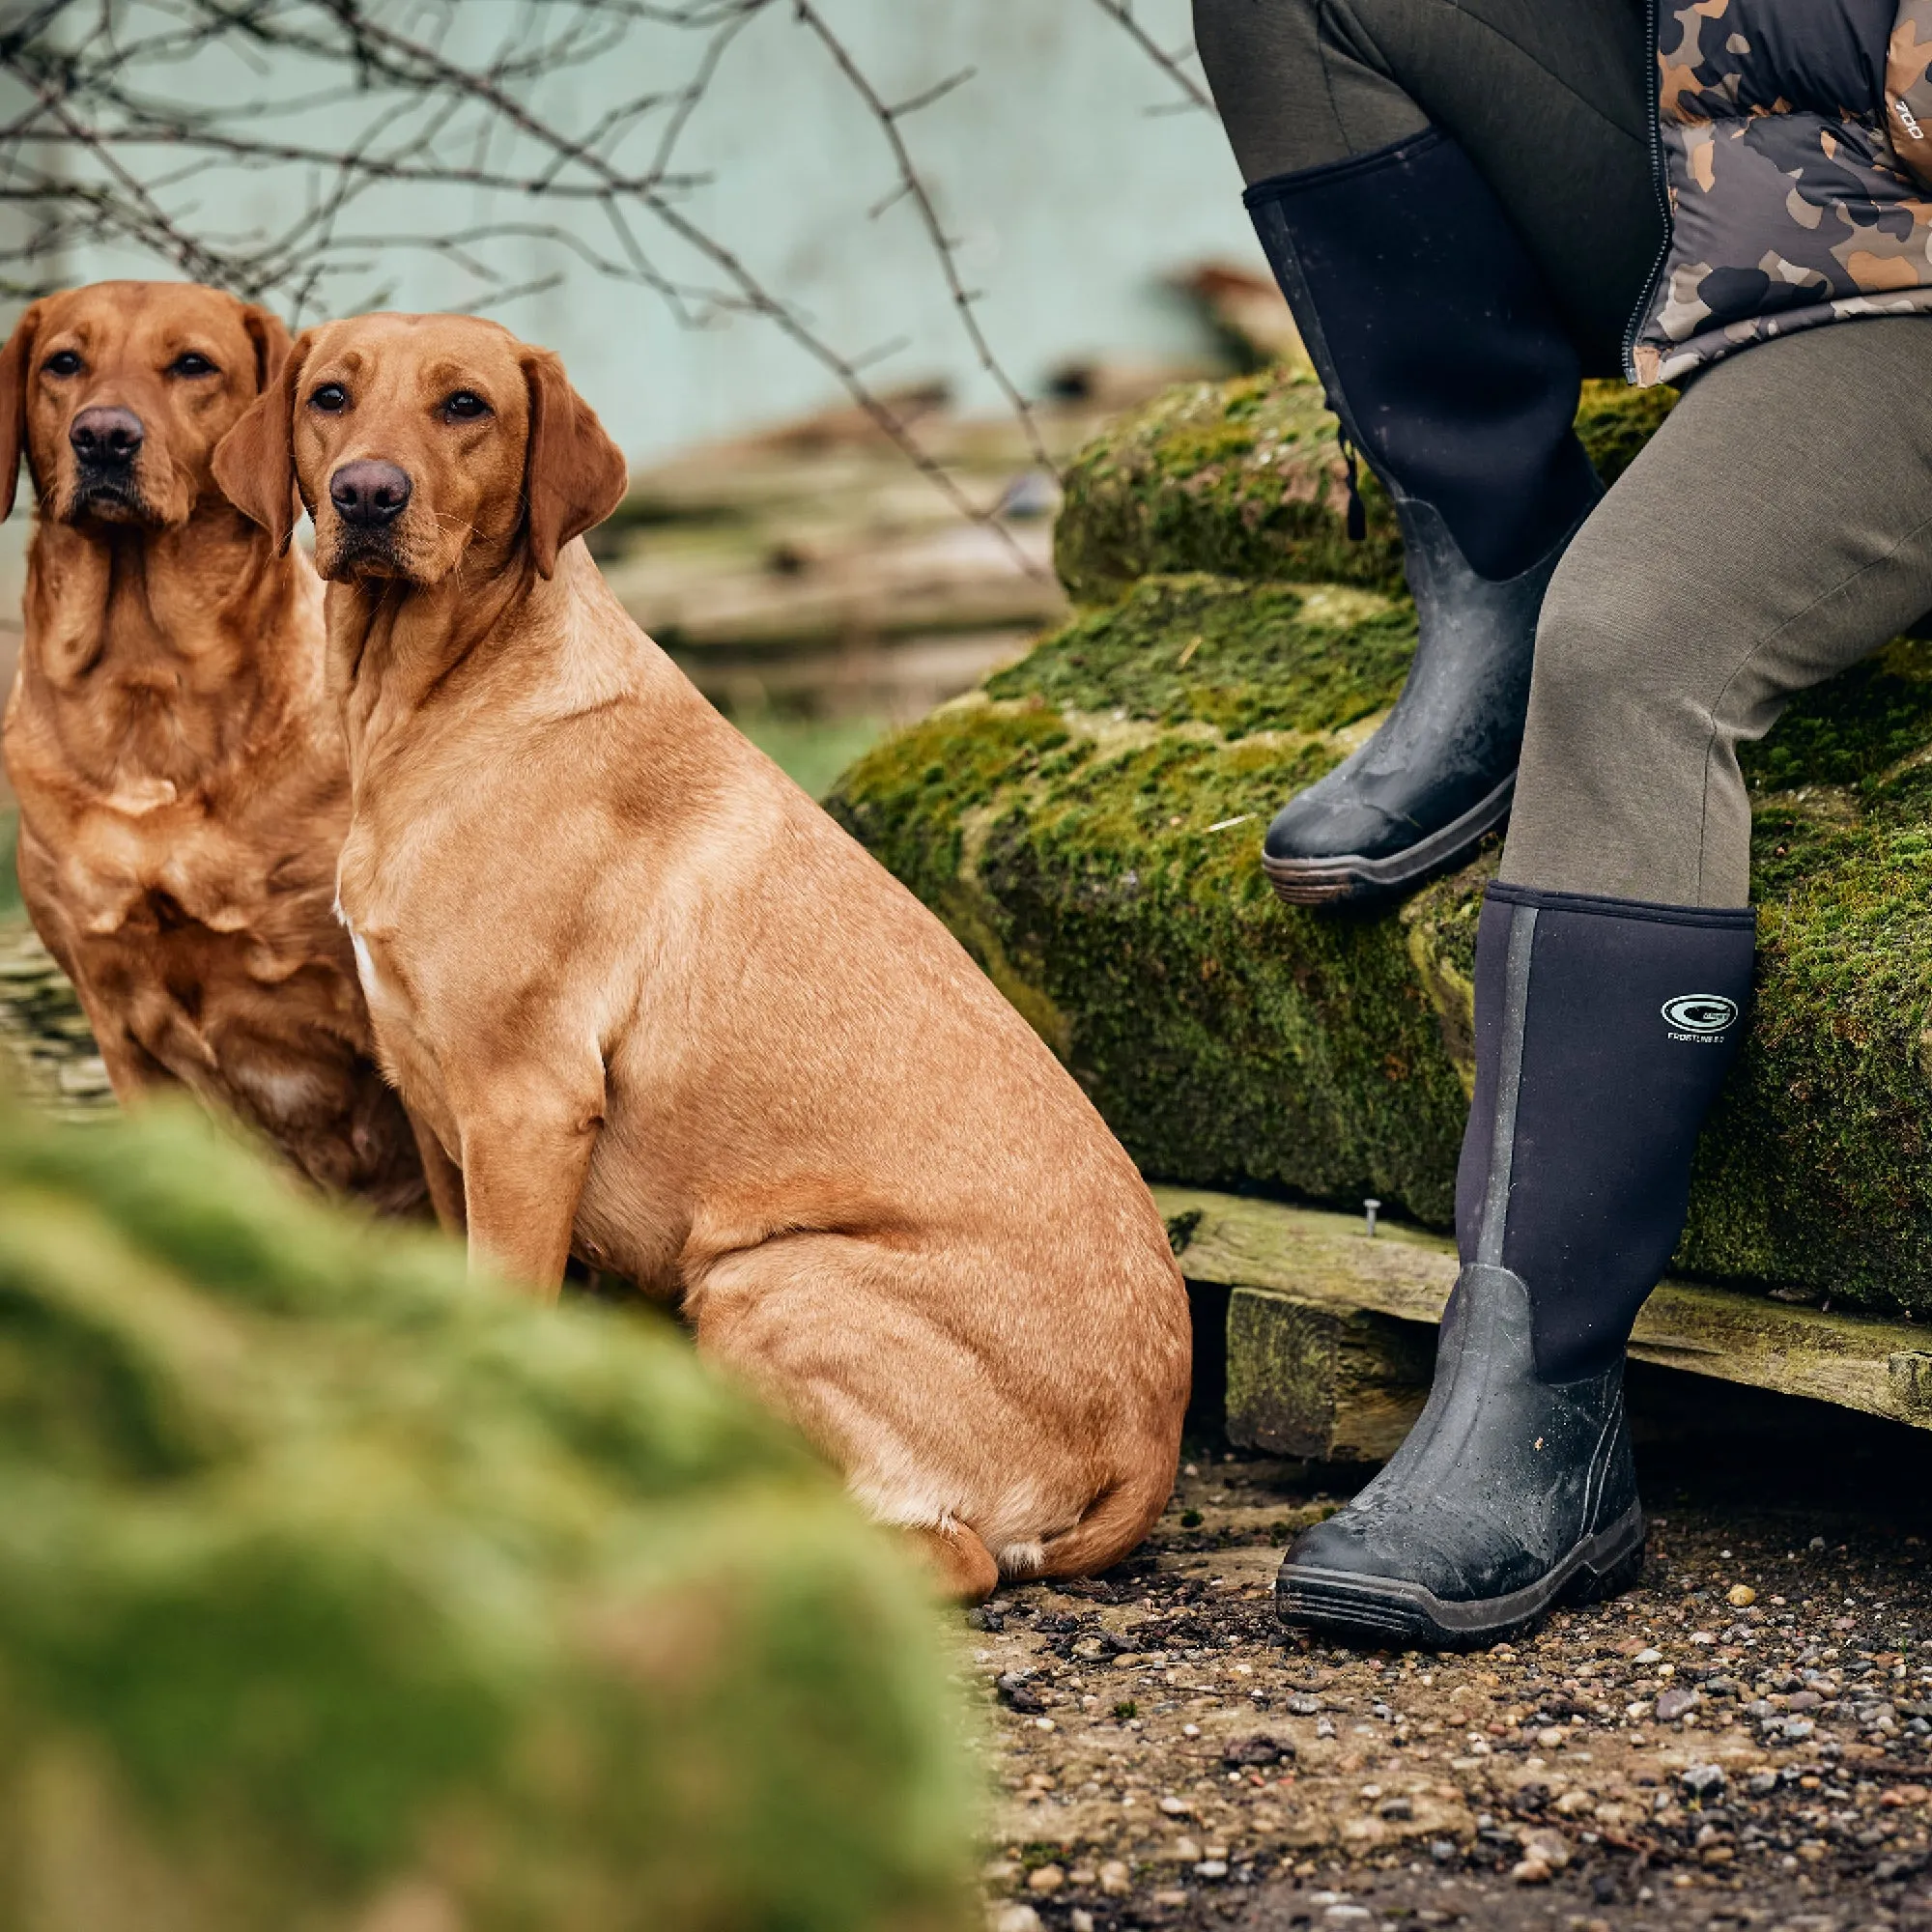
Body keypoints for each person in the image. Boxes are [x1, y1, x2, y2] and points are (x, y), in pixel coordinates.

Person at [1192, 0, 1932, 1646]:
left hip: (1905, 283)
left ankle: (1541, 1403)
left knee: (1635, 652)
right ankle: (1494, 559)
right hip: (1741, 182)